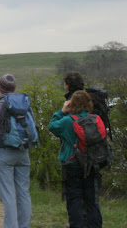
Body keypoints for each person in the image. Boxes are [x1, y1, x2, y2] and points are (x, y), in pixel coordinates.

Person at [48, 90, 103, 228]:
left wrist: (61, 111)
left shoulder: (67, 121)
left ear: (72, 104)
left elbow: (52, 126)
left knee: (74, 201)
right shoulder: (96, 119)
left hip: (72, 165)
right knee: (92, 202)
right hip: (92, 165)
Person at [0, 74, 32, 228]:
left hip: (4, 153)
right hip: (23, 153)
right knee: (23, 193)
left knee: (8, 195)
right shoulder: (25, 105)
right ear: (14, 88)